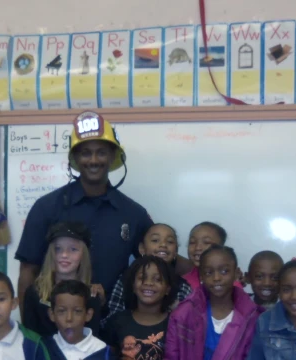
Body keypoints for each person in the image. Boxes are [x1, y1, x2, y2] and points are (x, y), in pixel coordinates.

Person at [14, 111, 154, 315]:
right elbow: (28, 270)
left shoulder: (133, 213)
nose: (94, 160)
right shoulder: (46, 207)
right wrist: (28, 327)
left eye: (101, 152)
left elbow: (159, 259)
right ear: (76, 159)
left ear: (113, 156)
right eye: (86, 153)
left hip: (112, 326)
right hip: (56, 324)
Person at [102, 223, 191, 327]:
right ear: (142, 248)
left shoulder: (182, 286)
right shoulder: (126, 280)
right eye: (155, 240)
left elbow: (185, 325)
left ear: (175, 251)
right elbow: (113, 319)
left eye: (170, 241)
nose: (163, 245)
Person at [22, 222, 103, 336]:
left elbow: (92, 338)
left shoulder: (92, 295)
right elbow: (30, 338)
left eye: (73, 249)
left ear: (83, 255)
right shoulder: (35, 293)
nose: (64, 254)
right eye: (58, 249)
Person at [183, 222, 242, 292]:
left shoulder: (231, 282)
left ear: (221, 247)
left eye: (206, 242)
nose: (197, 247)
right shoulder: (183, 282)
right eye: (192, 242)